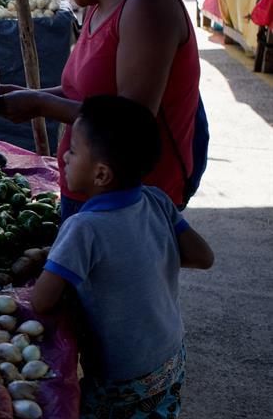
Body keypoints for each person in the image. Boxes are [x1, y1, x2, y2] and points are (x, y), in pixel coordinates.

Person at [0, 0, 199, 217]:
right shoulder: (98, 7)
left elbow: (131, 121)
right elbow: (87, 95)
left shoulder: (147, 7)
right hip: (91, 189)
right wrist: (30, 96)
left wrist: (39, 104)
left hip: (132, 203)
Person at [31, 95, 213, 418]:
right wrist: (143, 258)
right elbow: (204, 256)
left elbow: (41, 301)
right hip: (171, 360)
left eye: (72, 151)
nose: (64, 159)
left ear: (101, 175)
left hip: (120, 379)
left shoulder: (83, 229)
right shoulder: (156, 200)